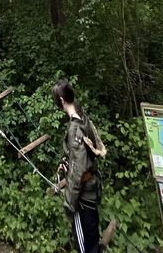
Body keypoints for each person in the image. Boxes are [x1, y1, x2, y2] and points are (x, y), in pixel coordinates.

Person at [52, 79, 106, 253]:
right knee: (92, 243)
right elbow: (82, 156)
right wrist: (67, 161)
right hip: (92, 191)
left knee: (85, 248)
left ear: (61, 101)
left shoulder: (75, 129)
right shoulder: (83, 118)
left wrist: (69, 203)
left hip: (83, 199)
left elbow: (78, 172)